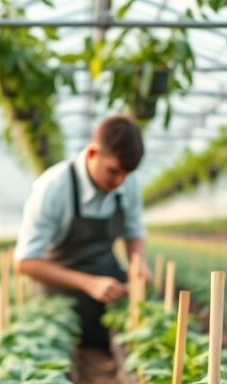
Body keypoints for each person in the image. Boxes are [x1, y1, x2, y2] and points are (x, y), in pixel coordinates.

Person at [14, 115, 148, 347]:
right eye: (113, 171)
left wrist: (138, 262)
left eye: (126, 174)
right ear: (93, 153)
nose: (120, 182)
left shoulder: (128, 181)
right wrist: (89, 283)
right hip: (60, 294)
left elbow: (133, 230)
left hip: (106, 285)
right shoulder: (53, 188)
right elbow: (24, 262)